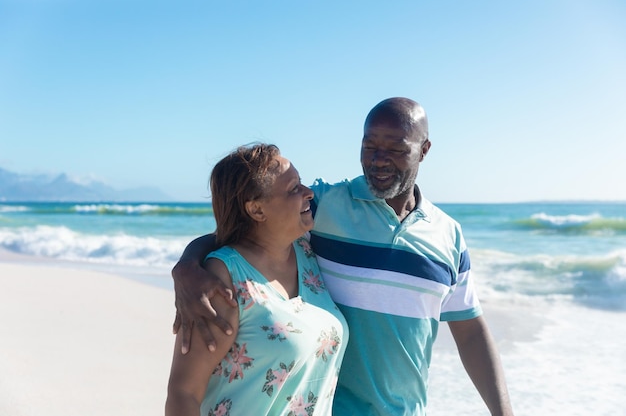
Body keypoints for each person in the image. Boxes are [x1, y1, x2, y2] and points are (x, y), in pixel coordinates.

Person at [171, 98, 514, 416]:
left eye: (395, 149)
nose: (379, 159)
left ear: (424, 150)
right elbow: (248, 231)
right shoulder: (324, 206)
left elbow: (470, 332)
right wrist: (187, 266)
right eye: (369, 146)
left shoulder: (448, 235)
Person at [165, 143, 349, 416]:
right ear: (257, 210)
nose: (308, 193)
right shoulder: (220, 280)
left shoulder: (308, 253)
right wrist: (188, 266)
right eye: (293, 188)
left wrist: (186, 263)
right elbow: (184, 393)